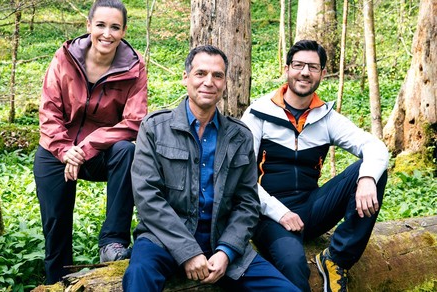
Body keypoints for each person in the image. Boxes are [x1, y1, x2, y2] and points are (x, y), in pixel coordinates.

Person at [122, 45, 299, 292]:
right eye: (200, 73)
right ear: (186, 77)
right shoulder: (154, 128)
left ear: (225, 82)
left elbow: (247, 202)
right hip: (162, 240)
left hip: (222, 240)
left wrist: (226, 251)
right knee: (139, 277)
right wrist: (188, 252)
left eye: (217, 75)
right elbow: (147, 199)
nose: (209, 82)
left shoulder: (239, 136)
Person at [241, 40, 389, 292]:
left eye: (313, 66)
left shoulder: (326, 117)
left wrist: (366, 179)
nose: (305, 72)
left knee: (374, 170)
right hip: (268, 215)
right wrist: (280, 213)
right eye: (298, 65)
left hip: (311, 208)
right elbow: (242, 179)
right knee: (293, 263)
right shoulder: (258, 114)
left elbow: (375, 147)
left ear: (321, 73)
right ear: (287, 69)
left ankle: (336, 259)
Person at [33, 0, 147, 284]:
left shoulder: (134, 68)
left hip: (101, 153)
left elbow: (134, 122)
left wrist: (86, 147)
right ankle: (56, 283)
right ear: (88, 26)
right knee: (56, 226)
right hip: (57, 149)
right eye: (100, 25)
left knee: (127, 151)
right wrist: (64, 150)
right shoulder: (64, 58)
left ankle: (112, 243)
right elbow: (49, 111)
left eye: (115, 27)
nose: (107, 33)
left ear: (123, 31)